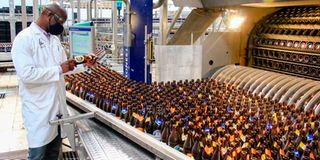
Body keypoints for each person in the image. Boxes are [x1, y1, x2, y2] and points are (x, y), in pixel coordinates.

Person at [11, 3, 95, 160]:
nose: (61, 27)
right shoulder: (24, 39)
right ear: (48, 15)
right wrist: (59, 69)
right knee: (38, 156)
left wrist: (84, 64)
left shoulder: (54, 41)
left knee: (53, 154)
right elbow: (26, 75)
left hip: (57, 112)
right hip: (39, 112)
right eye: (60, 22)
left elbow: (66, 67)